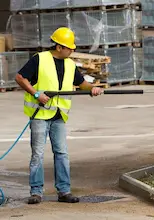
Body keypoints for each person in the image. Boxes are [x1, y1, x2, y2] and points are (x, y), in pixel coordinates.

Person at [15, 27, 103, 204]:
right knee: (38, 154)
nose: (72, 50)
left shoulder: (70, 64)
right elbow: (20, 77)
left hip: (59, 115)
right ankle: (36, 192)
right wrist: (36, 94)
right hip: (39, 115)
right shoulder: (39, 59)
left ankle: (64, 191)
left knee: (62, 153)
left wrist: (91, 89)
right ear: (59, 46)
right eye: (69, 47)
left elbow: (82, 83)